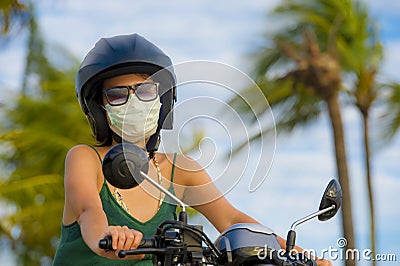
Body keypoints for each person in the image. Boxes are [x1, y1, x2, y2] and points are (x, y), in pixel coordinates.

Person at [53, 33, 331, 265]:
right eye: (117, 94)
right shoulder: (86, 158)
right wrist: (108, 236)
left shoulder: (179, 170)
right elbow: (89, 209)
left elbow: (233, 220)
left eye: (146, 91)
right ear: (98, 108)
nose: (134, 101)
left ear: (163, 100)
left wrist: (303, 258)